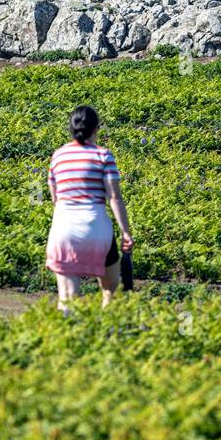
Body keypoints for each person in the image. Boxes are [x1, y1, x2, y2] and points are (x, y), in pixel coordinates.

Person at [45, 106, 134, 312]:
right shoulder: (103, 155)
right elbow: (114, 197)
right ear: (96, 129)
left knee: (67, 301)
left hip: (63, 230)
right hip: (97, 230)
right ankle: (106, 333)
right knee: (112, 290)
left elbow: (55, 199)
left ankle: (69, 340)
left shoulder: (58, 156)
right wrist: (126, 232)